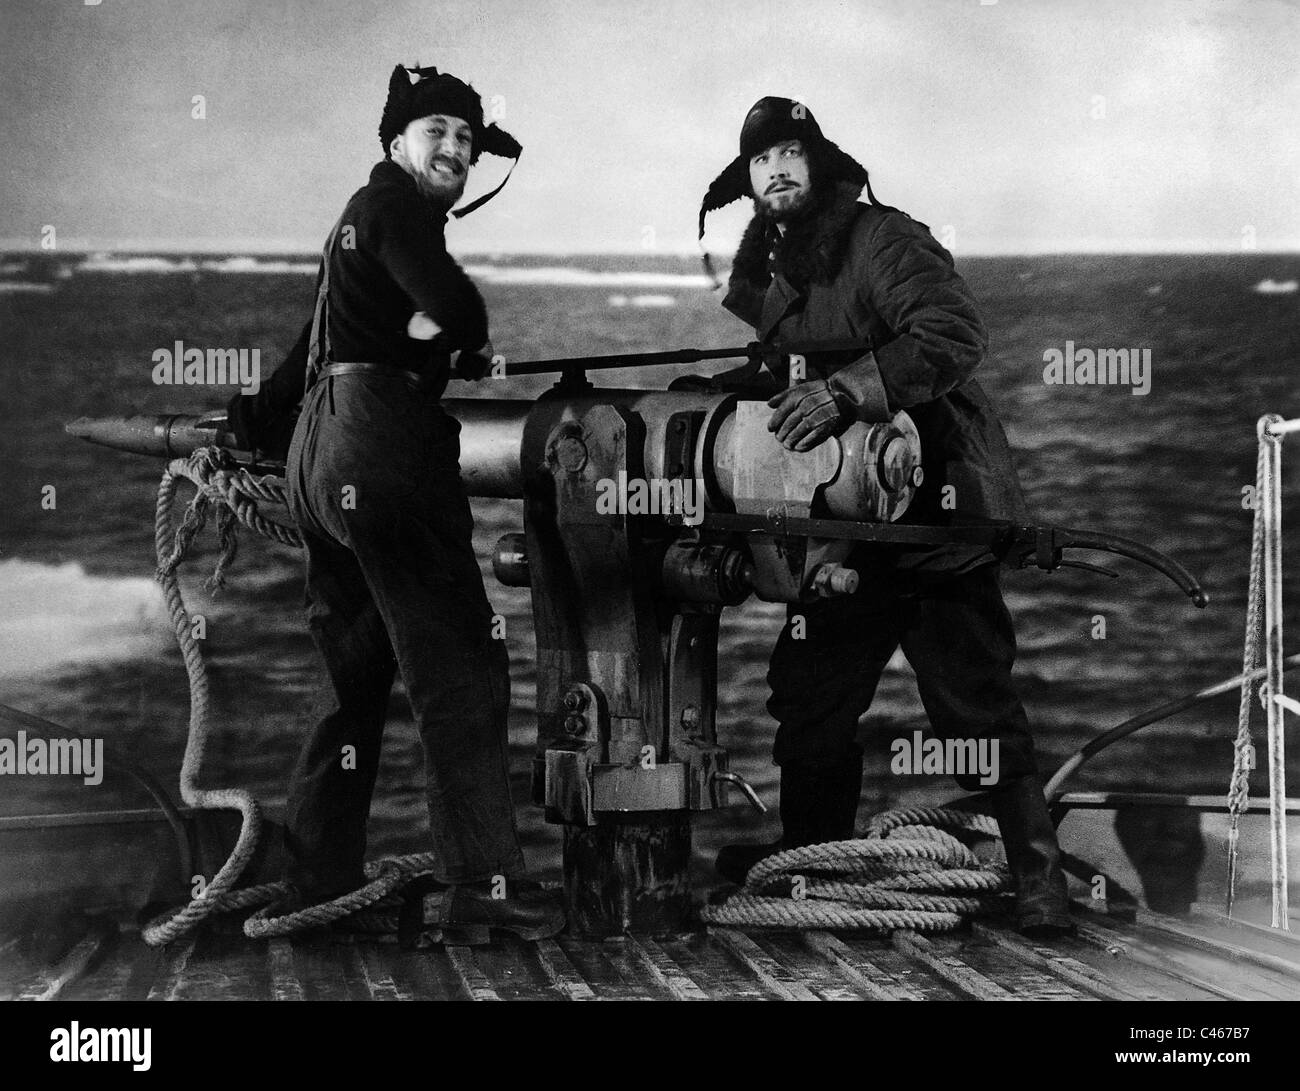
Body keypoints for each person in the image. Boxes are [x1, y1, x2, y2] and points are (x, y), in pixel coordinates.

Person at [691, 96, 1072, 935]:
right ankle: (813, 862)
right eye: (761, 160)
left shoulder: (881, 238)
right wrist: (716, 404)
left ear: (818, 162)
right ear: (748, 181)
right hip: (843, 533)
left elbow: (953, 332)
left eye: (792, 151)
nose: (778, 169)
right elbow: (783, 375)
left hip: (934, 523)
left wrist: (844, 392)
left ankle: (1041, 881)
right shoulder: (776, 268)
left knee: (976, 709)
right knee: (811, 707)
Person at [224, 64, 562, 943]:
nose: (454, 148)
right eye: (436, 131)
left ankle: (314, 881)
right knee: (460, 670)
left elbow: (316, 346)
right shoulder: (400, 210)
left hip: (317, 463)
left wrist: (248, 422)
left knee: (354, 680)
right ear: (396, 142)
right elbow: (451, 302)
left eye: (466, 137)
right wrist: (457, 339)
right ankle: (485, 890)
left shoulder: (355, 217)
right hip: (379, 453)